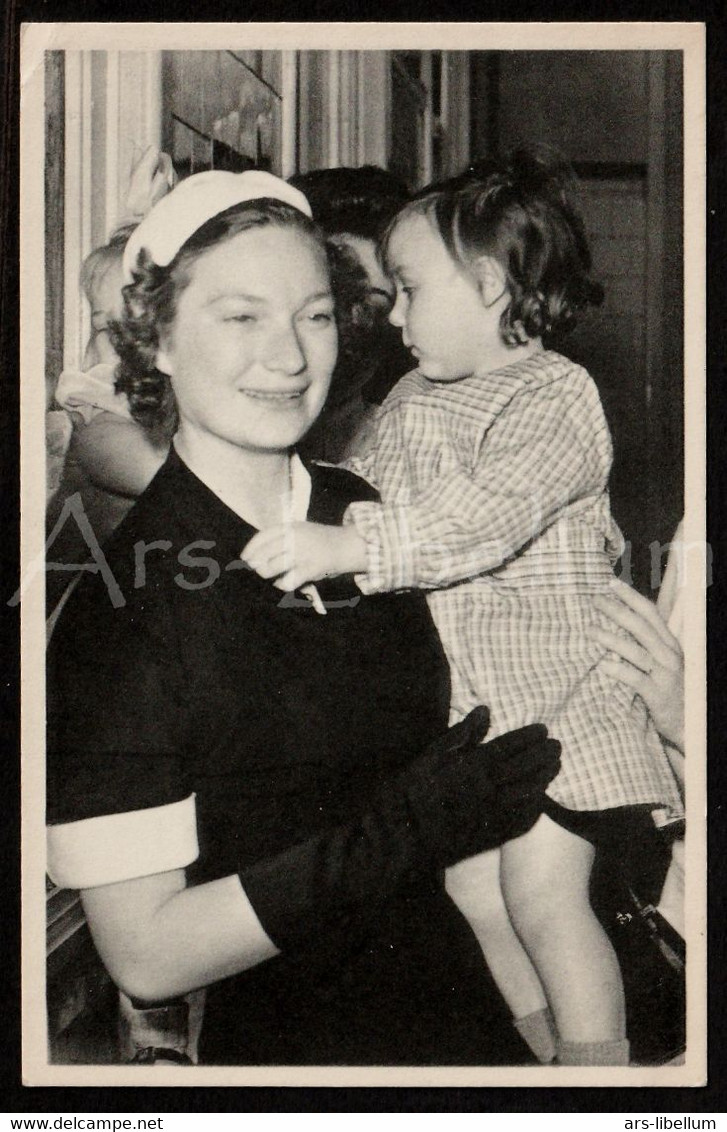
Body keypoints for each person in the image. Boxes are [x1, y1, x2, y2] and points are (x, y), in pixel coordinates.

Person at [46, 169, 561, 1067]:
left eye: (314, 316)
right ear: (156, 338)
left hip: (465, 1005)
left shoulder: (360, 506)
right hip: (300, 1052)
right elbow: (147, 954)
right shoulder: (120, 612)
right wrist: (402, 832)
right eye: (240, 317)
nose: (288, 357)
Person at [241, 150, 684, 1066]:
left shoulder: (555, 396)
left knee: (539, 894)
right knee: (472, 888)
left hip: (563, 700)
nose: (393, 315)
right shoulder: (412, 397)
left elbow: (480, 520)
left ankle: (600, 1081)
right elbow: (360, 493)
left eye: (406, 289)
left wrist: (357, 548)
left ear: (488, 286)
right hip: (480, 712)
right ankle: (550, 1057)